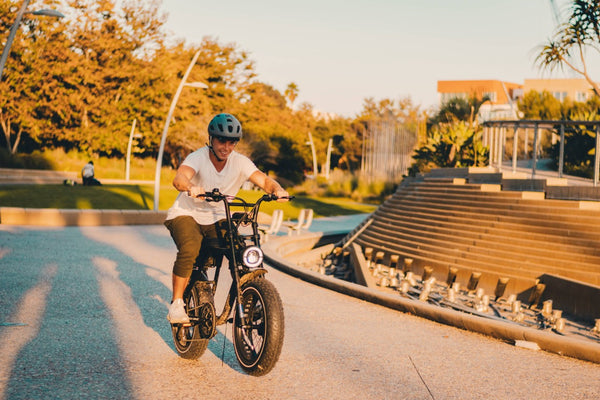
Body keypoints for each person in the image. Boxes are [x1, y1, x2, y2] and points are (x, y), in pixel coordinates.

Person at [164, 113, 289, 324]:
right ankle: (177, 304)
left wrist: (277, 189)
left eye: (232, 142)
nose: (226, 146)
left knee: (239, 249)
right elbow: (180, 177)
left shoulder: (240, 162)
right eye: (222, 140)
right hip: (186, 214)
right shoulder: (198, 157)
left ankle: (251, 298)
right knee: (191, 247)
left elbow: (263, 179)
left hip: (217, 216)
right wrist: (190, 186)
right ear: (211, 139)